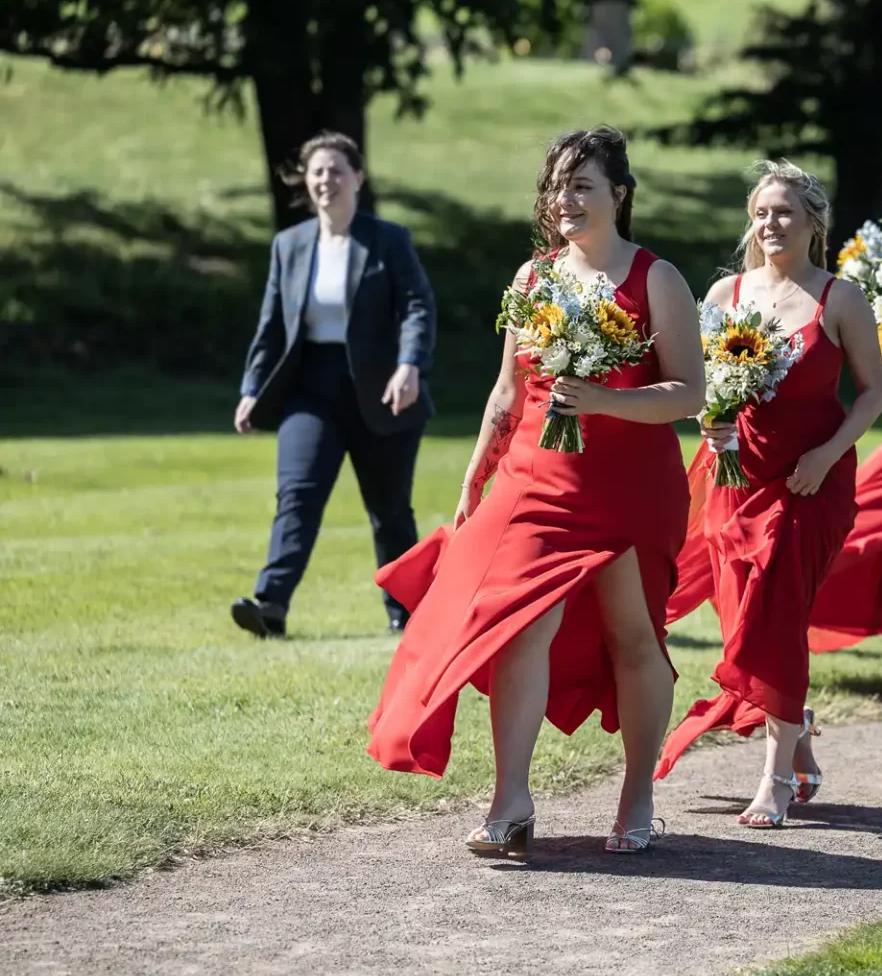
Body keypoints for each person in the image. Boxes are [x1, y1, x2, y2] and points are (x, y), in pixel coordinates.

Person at [366, 127, 703, 860]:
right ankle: (510, 802)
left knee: (632, 636)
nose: (565, 199)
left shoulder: (656, 278)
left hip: (628, 488)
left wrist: (604, 400)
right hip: (534, 479)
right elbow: (508, 392)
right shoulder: (532, 278)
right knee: (519, 623)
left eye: (582, 184)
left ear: (619, 195)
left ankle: (637, 794)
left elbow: (688, 392)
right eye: (556, 185)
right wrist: (474, 475)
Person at [653, 162, 882, 827]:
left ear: (814, 222)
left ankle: (776, 779)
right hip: (735, 477)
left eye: (785, 212)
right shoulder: (725, 293)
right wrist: (708, 420)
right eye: (761, 212)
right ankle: (799, 735)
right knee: (744, 624)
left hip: (810, 482)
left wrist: (827, 454)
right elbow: (695, 384)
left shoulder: (839, 299)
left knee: (776, 616)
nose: (771, 223)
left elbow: (871, 391)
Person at [232, 131, 435, 638]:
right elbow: (272, 325)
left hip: (384, 389)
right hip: (311, 390)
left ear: (358, 178)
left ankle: (407, 613)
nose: (326, 181)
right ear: (306, 180)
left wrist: (409, 364)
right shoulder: (290, 245)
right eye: (317, 171)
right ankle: (271, 606)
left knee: (389, 509)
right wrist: (252, 387)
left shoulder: (389, 240)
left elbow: (417, 307)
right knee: (297, 494)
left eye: (336, 171)